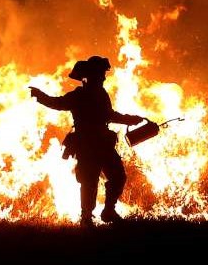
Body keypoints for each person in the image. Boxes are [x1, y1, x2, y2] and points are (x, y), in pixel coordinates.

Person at [29, 56, 147, 227]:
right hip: (87, 145)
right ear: (92, 75)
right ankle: (87, 217)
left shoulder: (101, 93)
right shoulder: (79, 96)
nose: (104, 77)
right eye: (101, 74)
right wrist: (40, 96)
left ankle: (108, 211)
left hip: (101, 143)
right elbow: (58, 103)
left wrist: (131, 119)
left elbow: (108, 114)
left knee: (117, 176)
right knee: (89, 181)